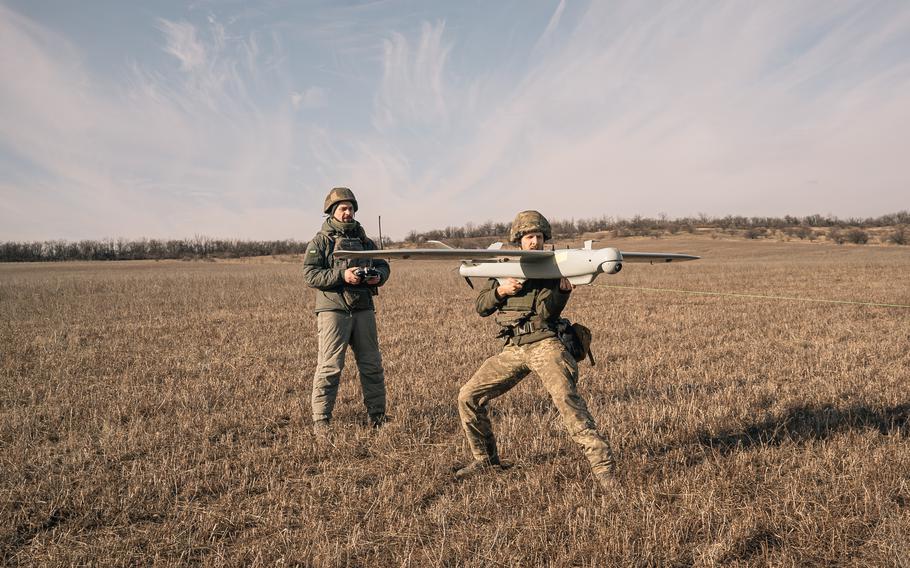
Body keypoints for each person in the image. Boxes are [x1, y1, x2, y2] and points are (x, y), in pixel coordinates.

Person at [455, 210, 617, 489]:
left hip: (545, 343)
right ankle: (486, 460)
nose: (535, 242)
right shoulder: (503, 267)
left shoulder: (552, 269)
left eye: (539, 236)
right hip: (513, 347)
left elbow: (545, 312)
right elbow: (481, 307)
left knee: (568, 403)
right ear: (519, 240)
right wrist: (501, 291)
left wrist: (562, 292)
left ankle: (605, 471)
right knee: (468, 396)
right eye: (529, 236)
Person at [303, 187, 391, 434]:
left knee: (372, 365)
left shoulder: (365, 241)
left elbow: (383, 265)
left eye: (351, 208)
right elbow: (310, 274)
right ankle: (322, 421)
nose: (348, 212)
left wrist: (378, 277)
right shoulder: (321, 241)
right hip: (334, 310)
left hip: (363, 307)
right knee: (330, 367)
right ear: (332, 211)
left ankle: (378, 417)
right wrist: (343, 275)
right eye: (343, 208)